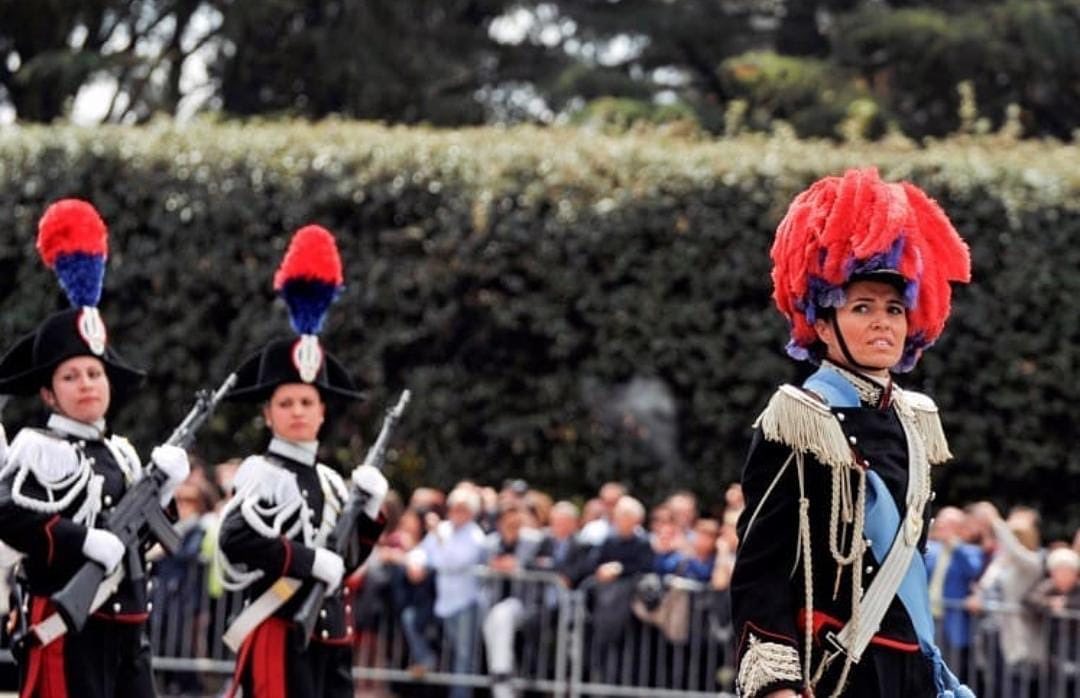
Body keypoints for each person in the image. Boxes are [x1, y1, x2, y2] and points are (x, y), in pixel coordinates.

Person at [730, 168, 974, 698]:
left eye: (894, 309)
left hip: (913, 676)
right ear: (822, 324)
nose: (883, 323)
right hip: (838, 676)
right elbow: (760, 566)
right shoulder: (799, 418)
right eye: (861, 307)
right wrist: (776, 684)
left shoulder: (917, 420)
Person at [0, 199, 190, 697]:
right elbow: (7, 513)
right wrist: (78, 539)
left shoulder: (124, 454)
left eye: (94, 372)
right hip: (70, 626)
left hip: (129, 627)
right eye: (70, 375)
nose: (86, 383)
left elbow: (147, 538)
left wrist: (164, 490)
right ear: (48, 392)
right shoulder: (39, 448)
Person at [215, 224, 389, 698]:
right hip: (280, 627)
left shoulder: (331, 482)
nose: (297, 412)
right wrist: (309, 561)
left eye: (307, 403)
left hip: (330, 635)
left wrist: (369, 513)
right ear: (268, 413)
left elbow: (345, 559)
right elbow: (237, 538)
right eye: (286, 403)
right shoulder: (262, 473)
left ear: (323, 411)